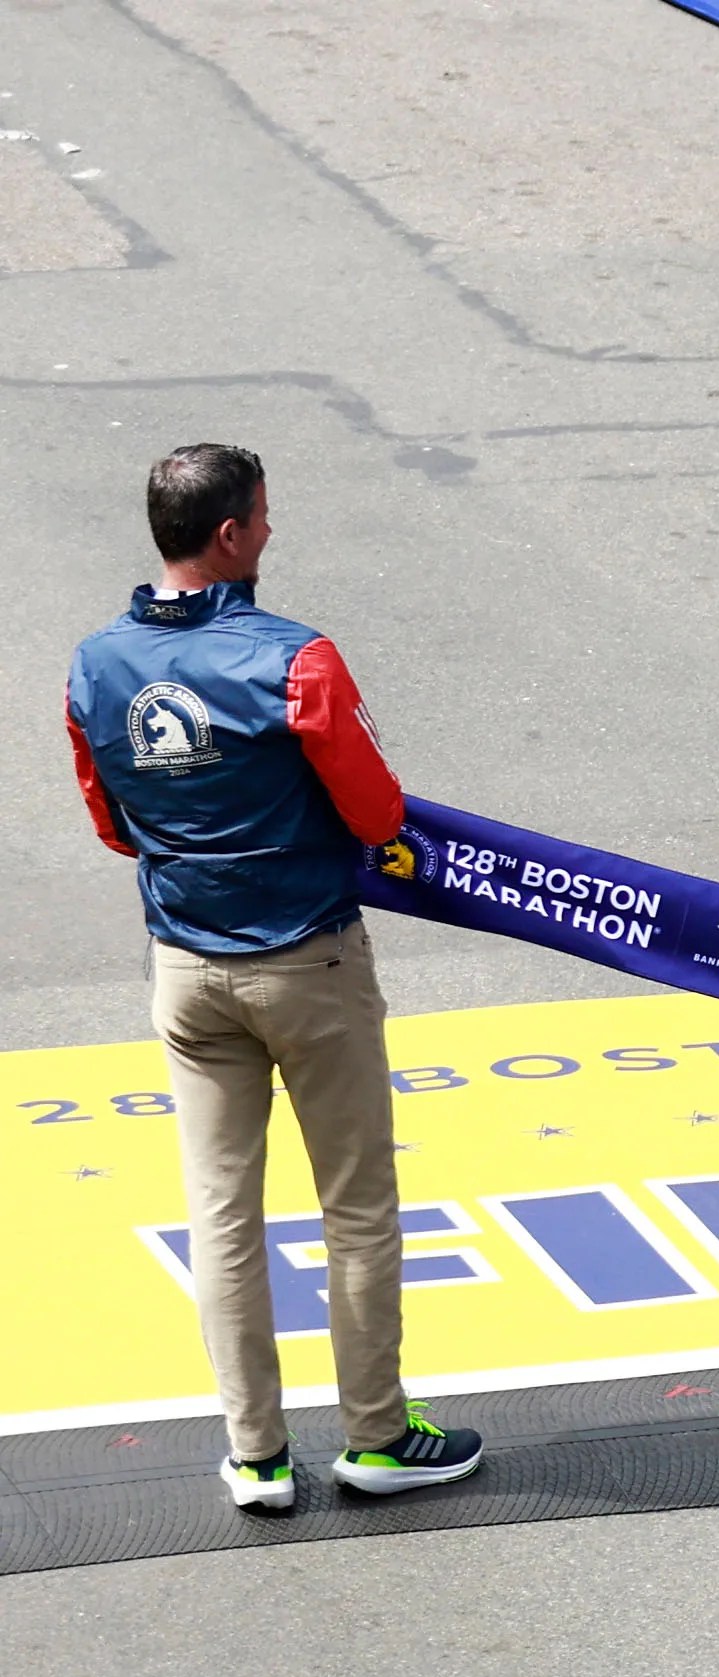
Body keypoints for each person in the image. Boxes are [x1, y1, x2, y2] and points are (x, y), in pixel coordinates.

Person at [66, 444, 483, 1510]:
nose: (270, 530)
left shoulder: (94, 665)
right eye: (264, 515)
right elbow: (377, 815)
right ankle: (378, 1438)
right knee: (356, 1207)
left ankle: (255, 1456)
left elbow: (113, 824)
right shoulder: (296, 659)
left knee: (222, 1217)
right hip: (309, 961)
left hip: (186, 968)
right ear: (231, 535)